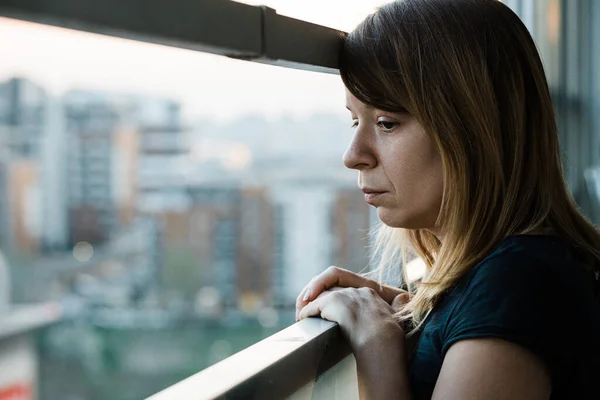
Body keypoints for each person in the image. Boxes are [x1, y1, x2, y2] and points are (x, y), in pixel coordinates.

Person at [294, 0, 600, 399]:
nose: (353, 155)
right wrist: (417, 319)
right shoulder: (508, 275)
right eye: (355, 120)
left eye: (387, 123)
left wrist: (376, 349)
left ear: (472, 129)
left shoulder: (517, 282)